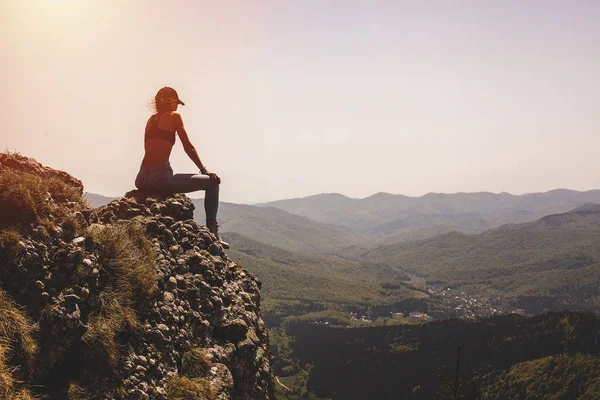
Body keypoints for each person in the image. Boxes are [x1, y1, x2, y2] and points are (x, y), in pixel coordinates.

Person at [135, 86, 229, 249]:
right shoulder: (174, 116)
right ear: (170, 101)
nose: (178, 106)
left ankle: (212, 229)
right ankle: (212, 230)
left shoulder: (151, 120)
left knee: (169, 176)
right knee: (213, 183)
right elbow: (188, 146)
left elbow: (148, 149)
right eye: (176, 103)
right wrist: (205, 171)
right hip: (161, 177)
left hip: (142, 178)